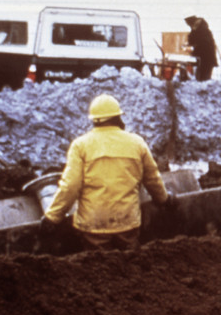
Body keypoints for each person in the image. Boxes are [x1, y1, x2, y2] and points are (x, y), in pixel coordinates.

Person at [40, 94, 176, 251]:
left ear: (94, 120)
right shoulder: (137, 143)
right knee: (128, 266)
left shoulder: (80, 145)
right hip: (127, 223)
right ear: (118, 117)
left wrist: (52, 217)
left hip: (93, 226)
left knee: (99, 269)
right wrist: (164, 200)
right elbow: (152, 179)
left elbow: (70, 186)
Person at [184, 15, 218, 81]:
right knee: (201, 79)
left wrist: (192, 48)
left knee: (203, 79)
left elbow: (203, 45)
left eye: (187, 23)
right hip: (203, 59)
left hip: (206, 59)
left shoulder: (201, 31)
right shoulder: (199, 30)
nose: (188, 25)